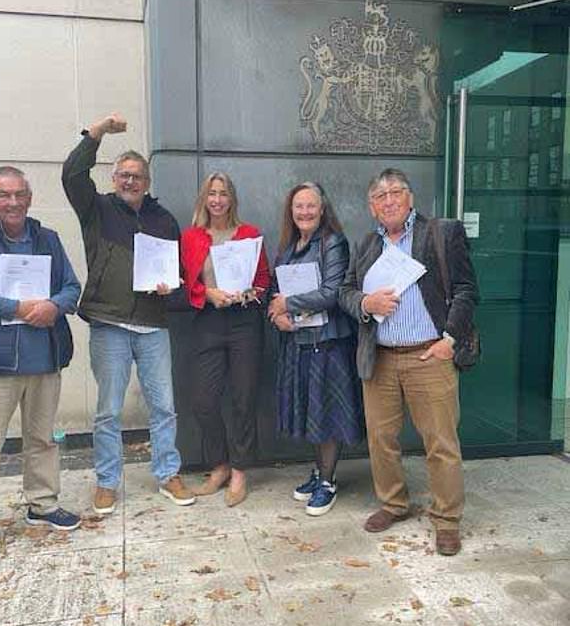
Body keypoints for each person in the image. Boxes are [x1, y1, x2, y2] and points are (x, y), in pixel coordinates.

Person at [339, 168, 478, 556]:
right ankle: (394, 504)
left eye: (395, 192)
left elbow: (467, 289)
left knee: (441, 442)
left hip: (429, 354)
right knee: (381, 439)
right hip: (380, 356)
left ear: (411, 197)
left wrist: (449, 340)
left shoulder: (440, 233)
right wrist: (366, 303)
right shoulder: (367, 243)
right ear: (371, 206)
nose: (388, 201)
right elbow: (345, 292)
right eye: (379, 196)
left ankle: (447, 520)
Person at [62, 113, 195, 515]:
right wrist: (96, 133)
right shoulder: (96, 209)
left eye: (137, 176)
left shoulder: (164, 219)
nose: (130, 181)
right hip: (109, 324)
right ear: (113, 178)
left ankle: (168, 472)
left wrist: (174, 286)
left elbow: (180, 274)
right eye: (123, 174)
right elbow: (71, 175)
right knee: (108, 409)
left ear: (147, 182)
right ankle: (106, 481)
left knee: (164, 406)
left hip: (153, 325)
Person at [0, 166, 82, 564]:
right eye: (3, 195)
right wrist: (19, 308)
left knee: (42, 439)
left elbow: (72, 287)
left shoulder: (48, 239)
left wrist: (53, 306)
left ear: (29, 197)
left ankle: (41, 503)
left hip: (43, 358)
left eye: (19, 194)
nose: (12, 202)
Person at [268, 182, 364, 516]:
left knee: (327, 411)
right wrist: (276, 314)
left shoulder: (333, 243)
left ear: (322, 209)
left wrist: (287, 304)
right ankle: (318, 471)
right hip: (298, 342)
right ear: (291, 211)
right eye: (299, 206)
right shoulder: (289, 246)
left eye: (311, 206)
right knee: (312, 409)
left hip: (328, 342)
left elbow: (332, 292)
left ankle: (327, 481)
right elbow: (274, 292)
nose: (305, 212)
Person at [180, 172, 270, 506]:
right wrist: (208, 294)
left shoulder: (249, 234)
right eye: (212, 194)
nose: (217, 200)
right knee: (203, 400)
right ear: (204, 199)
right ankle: (219, 464)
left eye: (224, 194)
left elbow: (263, 278)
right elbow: (185, 283)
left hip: (244, 321)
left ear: (232, 199)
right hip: (208, 321)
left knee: (243, 399)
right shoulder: (191, 237)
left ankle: (240, 472)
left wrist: (253, 293)